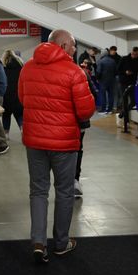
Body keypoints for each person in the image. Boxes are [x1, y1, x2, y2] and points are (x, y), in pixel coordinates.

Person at [18, 29, 96, 263]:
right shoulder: (74, 71)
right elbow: (85, 110)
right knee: (64, 192)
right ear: (63, 46)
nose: (74, 51)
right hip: (64, 142)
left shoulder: (28, 67)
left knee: (38, 191)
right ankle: (61, 243)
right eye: (73, 46)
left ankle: (39, 243)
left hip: (34, 139)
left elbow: (23, 98)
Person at [76, 58, 98, 197]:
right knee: (77, 149)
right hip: (79, 122)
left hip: (55, 123)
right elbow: (93, 94)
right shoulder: (81, 73)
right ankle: (74, 181)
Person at [117, 46, 138, 124]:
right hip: (123, 82)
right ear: (132, 52)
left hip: (132, 82)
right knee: (125, 100)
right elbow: (118, 69)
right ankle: (126, 120)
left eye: (137, 54)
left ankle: (122, 113)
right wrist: (125, 72)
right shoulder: (124, 58)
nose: (135, 56)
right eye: (134, 54)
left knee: (133, 101)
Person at [0, 49, 24, 135]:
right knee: (19, 114)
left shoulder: (2, 68)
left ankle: (6, 134)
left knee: (6, 115)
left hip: (6, 96)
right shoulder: (21, 66)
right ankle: (22, 128)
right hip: (18, 95)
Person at [96, 48, 118, 114]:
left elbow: (98, 71)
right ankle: (110, 109)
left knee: (103, 95)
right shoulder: (113, 61)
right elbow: (116, 71)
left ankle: (103, 109)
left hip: (103, 80)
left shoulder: (101, 61)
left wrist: (97, 78)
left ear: (102, 54)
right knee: (111, 95)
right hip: (112, 80)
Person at [108, 46, 122, 112]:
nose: (112, 52)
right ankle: (115, 106)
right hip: (113, 76)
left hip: (116, 76)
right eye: (111, 50)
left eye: (113, 50)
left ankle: (115, 107)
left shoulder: (118, 58)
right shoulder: (118, 58)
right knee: (115, 92)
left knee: (117, 92)